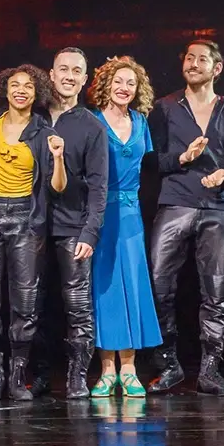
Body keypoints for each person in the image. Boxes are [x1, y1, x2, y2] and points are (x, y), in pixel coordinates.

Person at [147, 40, 224, 397]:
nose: (192, 64)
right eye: (189, 58)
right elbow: (152, 160)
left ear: (216, 68)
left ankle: (210, 370)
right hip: (175, 202)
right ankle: (169, 364)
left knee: (217, 291)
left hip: (218, 208)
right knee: (158, 286)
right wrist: (183, 158)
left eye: (201, 59)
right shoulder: (164, 108)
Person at [0, 65, 64, 401]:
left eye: (28, 86)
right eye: (15, 84)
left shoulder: (43, 131)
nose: (21, 90)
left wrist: (58, 159)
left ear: (37, 92)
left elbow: (57, 187)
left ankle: (17, 373)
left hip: (26, 217)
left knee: (25, 303)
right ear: (5, 88)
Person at [86, 56, 162, 398]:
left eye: (131, 83)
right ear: (106, 84)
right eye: (118, 81)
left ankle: (129, 369)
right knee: (105, 289)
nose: (124, 87)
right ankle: (106, 370)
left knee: (132, 285)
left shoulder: (141, 122)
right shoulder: (93, 121)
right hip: (101, 211)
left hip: (131, 214)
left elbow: (147, 164)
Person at [39, 47, 110, 399]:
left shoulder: (92, 126)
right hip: (31, 225)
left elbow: (99, 186)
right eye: (63, 69)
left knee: (78, 306)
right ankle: (37, 374)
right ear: (51, 74)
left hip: (73, 227)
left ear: (85, 78)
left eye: (76, 71)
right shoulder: (32, 116)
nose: (69, 76)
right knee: (30, 303)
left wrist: (90, 232)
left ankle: (77, 376)